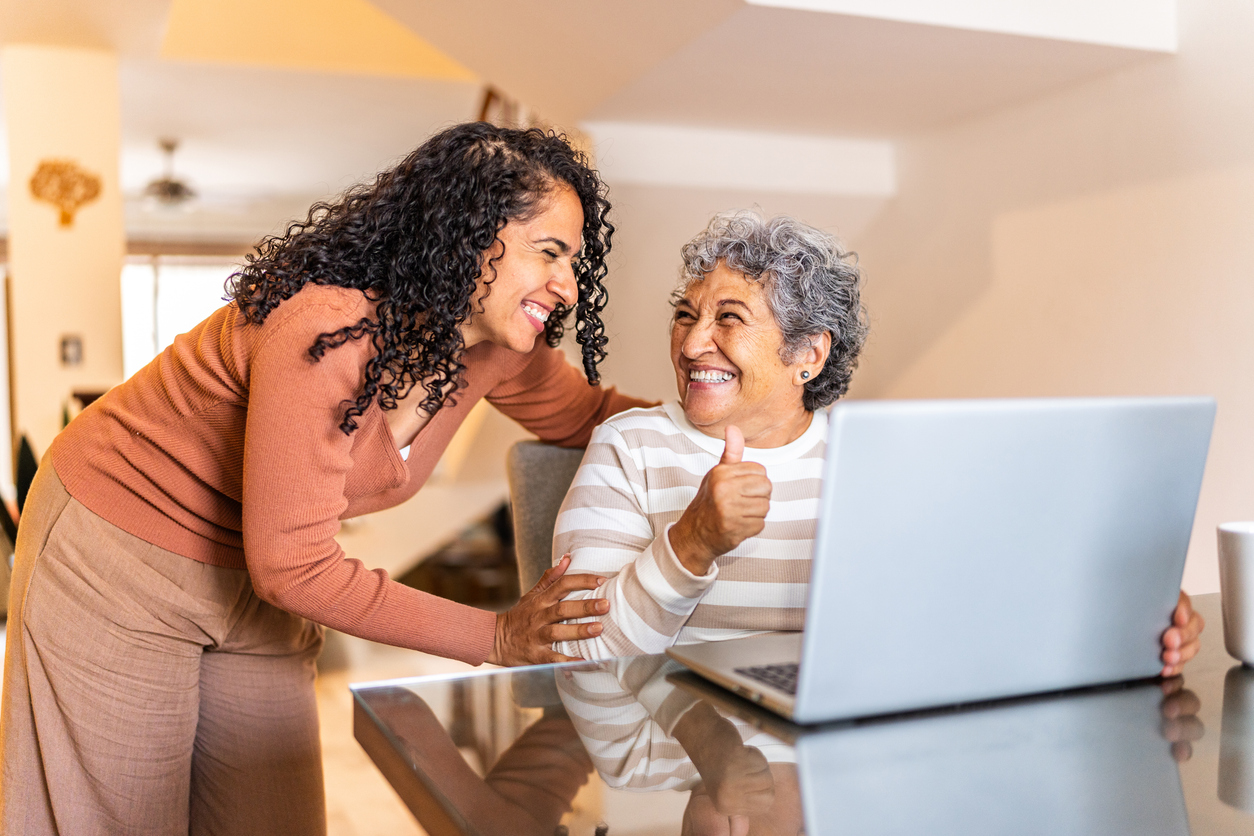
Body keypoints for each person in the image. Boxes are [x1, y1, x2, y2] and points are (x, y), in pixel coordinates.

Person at [0, 123, 648, 835]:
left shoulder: (499, 351)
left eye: (574, 261)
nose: (566, 285)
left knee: (274, 817)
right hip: (120, 547)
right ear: (468, 234)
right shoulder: (329, 325)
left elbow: (596, 418)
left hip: (253, 577)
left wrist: (737, 404)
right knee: (122, 816)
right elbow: (295, 567)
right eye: (549, 253)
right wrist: (496, 636)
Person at [551, 210, 1204, 674]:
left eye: (728, 318)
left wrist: (1127, 613)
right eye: (687, 315)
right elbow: (574, 653)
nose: (693, 344)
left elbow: (978, 604)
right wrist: (693, 543)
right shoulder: (628, 447)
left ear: (807, 353)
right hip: (674, 751)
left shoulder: (878, 462)